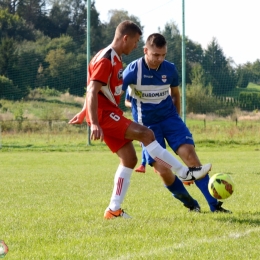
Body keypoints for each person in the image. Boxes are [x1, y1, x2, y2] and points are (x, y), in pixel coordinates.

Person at [69, 21, 211, 220]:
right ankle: (184, 172)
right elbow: (92, 89)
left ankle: (114, 210)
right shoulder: (107, 59)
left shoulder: (114, 57)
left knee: (129, 158)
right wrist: (93, 121)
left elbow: (94, 86)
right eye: (135, 41)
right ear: (125, 38)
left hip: (107, 111)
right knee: (147, 134)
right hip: (104, 113)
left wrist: (84, 111)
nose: (135, 46)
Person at [123, 33, 231, 213]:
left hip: (170, 119)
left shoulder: (170, 69)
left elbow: (175, 94)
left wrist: (177, 118)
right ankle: (190, 203)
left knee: (190, 156)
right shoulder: (133, 70)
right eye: (155, 55)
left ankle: (215, 205)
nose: (159, 59)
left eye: (163, 55)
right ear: (145, 51)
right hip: (147, 125)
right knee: (163, 170)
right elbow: (119, 93)